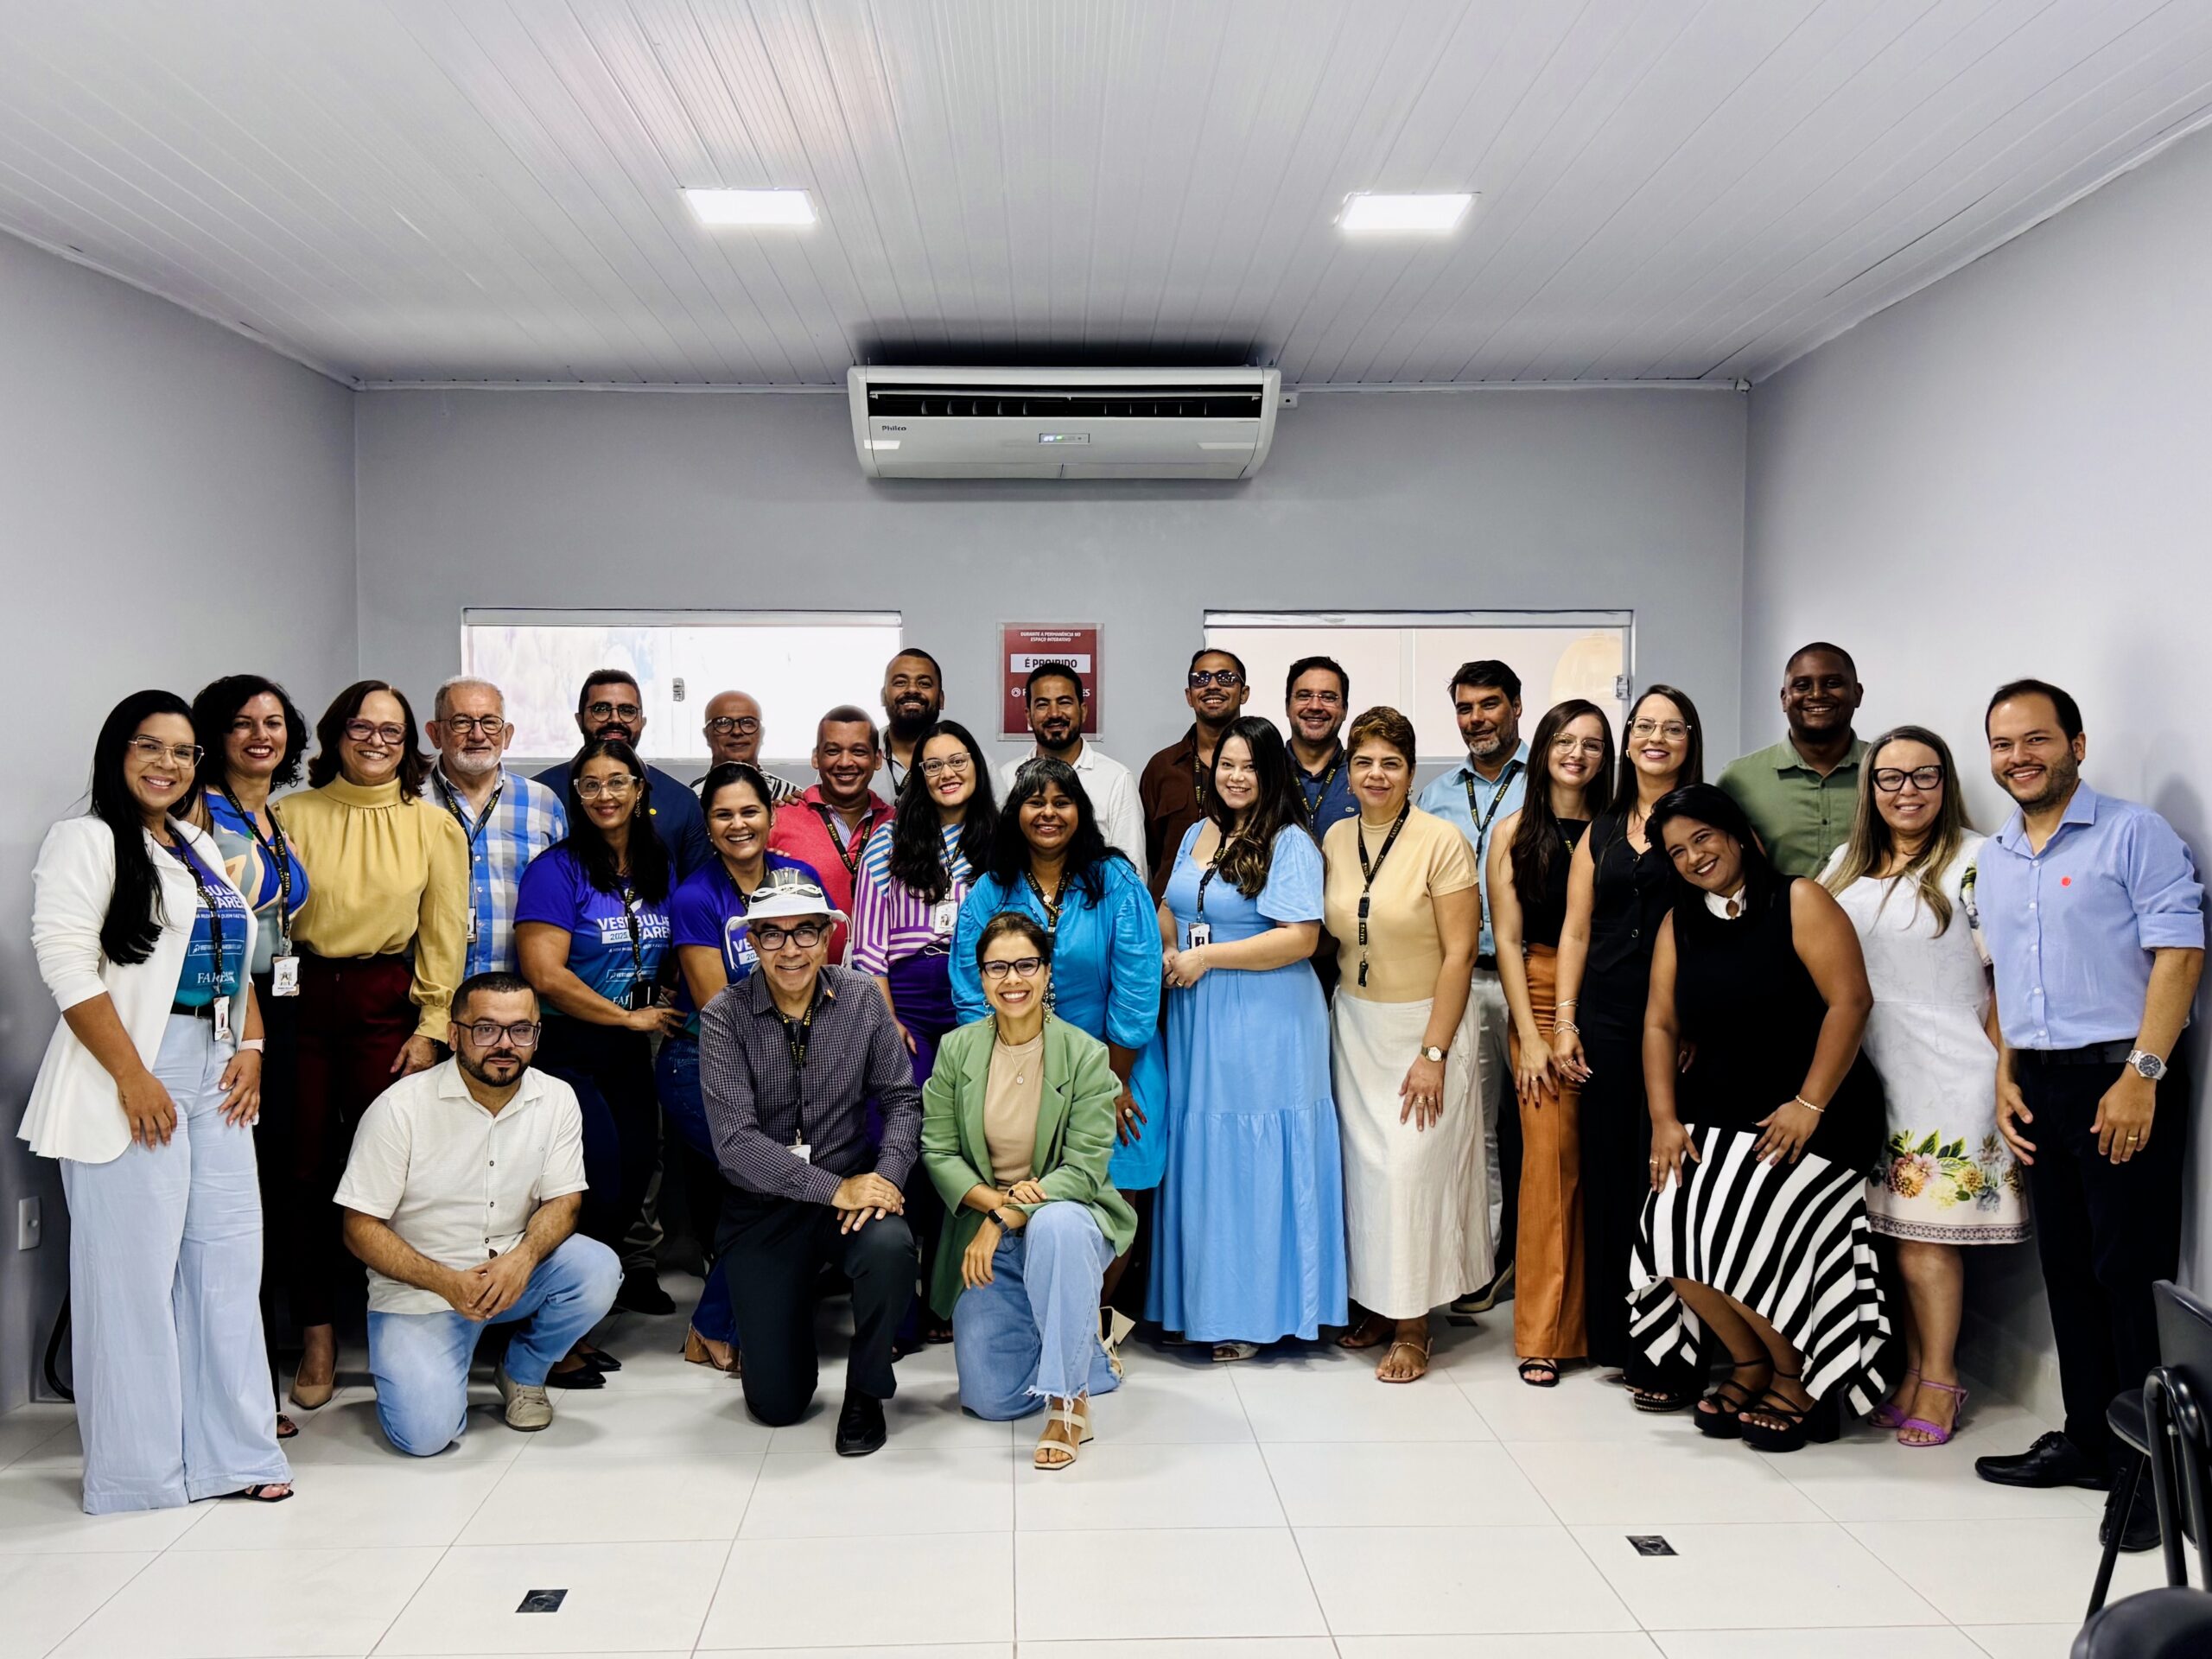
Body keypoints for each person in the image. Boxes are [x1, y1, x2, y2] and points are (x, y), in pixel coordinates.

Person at [24, 691, 292, 1511]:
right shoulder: (87, 839)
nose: (168, 765)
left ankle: (233, 1454)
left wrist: (251, 1048)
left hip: (214, 1075)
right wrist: (132, 1076)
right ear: (118, 751)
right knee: (131, 1279)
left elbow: (239, 961)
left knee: (225, 1263)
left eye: (182, 753)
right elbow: (67, 965)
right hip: (128, 1076)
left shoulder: (199, 844)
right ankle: (138, 1474)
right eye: (151, 747)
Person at [1971, 681, 2203, 1555]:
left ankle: (2150, 1474)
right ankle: (2085, 1437)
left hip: (2120, 1078)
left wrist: (2142, 1074)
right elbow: (2000, 980)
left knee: (2126, 1271)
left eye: (2035, 740)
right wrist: (2004, 1076)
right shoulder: (1993, 855)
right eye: (2001, 744)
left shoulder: (2133, 833)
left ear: (2075, 743)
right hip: (2039, 1085)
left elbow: (2179, 953)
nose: (2017, 757)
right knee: (2066, 1269)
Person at [1637, 785, 1891, 1452]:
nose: (1694, 857)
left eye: (1704, 839)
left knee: (1742, 1221)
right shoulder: (1679, 921)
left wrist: (1808, 1105)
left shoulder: (1798, 899)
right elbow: (1660, 1023)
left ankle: (1795, 1375)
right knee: (1667, 1224)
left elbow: (1850, 1002)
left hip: (1819, 1114)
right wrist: (1665, 1119)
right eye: (1678, 851)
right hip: (1723, 1113)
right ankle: (1748, 1361)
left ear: (1739, 834)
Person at [1820, 725, 2025, 1447]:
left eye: (1924, 776)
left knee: (1926, 1242)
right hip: (1869, 1066)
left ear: (1946, 783)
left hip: (1949, 1067)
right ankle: (1910, 1373)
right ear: (1869, 788)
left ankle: (1939, 1378)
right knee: (1892, 1234)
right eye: (1891, 777)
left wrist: (2007, 1072)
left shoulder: (1978, 860)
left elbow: (2007, 979)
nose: (1907, 791)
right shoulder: (1845, 863)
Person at [281, 679, 469, 1415]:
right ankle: (318, 1333)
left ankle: (404, 1319)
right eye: (362, 727)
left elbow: (445, 935)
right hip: (298, 998)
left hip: (386, 1005)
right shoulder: (287, 814)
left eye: (391, 733)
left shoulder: (433, 827)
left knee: (390, 1173)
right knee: (301, 1170)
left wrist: (431, 1028)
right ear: (337, 733)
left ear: (409, 744)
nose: (376, 742)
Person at [334, 974, 620, 1452]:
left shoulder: (557, 1098)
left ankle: (523, 1370)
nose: (505, 1045)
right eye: (486, 1029)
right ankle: (434, 1373)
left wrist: (523, 1259)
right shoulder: (399, 1108)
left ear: (536, 1034)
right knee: (425, 1437)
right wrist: (448, 1283)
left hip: (513, 1273)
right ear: (454, 1035)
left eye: (521, 1030)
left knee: (597, 1270)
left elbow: (565, 1200)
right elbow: (358, 1228)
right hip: (423, 1290)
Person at [699, 872, 922, 1454]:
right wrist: (836, 1189)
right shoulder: (724, 1015)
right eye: (772, 935)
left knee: (891, 1245)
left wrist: (886, 1182)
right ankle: (782, 1339)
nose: (790, 949)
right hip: (763, 1207)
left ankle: (866, 1392)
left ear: (828, 936)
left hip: (848, 1199)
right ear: (751, 943)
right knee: (777, 1406)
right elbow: (736, 1143)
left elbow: (901, 1100)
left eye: (805, 932)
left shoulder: (861, 997)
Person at [1149, 715, 1347, 1359]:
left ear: (1272, 774)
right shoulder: (1196, 832)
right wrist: (1169, 949)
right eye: (1226, 765)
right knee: (1205, 1153)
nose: (1236, 777)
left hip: (1265, 1017)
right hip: (1195, 1011)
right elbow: (1172, 908)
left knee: (1251, 1155)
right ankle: (1203, 1305)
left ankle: (1258, 1313)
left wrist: (1206, 960)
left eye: (1251, 767)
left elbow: (1300, 938)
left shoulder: (1290, 842)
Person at [953, 756, 1164, 1320]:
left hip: (1117, 1065)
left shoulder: (1115, 881)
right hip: (1016, 1069)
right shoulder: (992, 889)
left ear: (1081, 811)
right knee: (1031, 1184)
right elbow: (971, 989)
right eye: (1034, 802)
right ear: (1014, 814)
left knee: (1117, 1181)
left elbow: (1138, 985)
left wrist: (1111, 1083)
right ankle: (1035, 1316)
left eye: (1061, 801)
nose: (1048, 813)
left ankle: (1092, 1318)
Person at [922, 914, 1134, 1468]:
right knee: (991, 1401)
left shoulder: (1085, 1054)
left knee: (1056, 1224)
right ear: (981, 976)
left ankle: (1068, 1401)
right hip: (989, 1222)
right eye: (997, 967)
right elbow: (938, 1151)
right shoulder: (957, 1051)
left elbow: (1083, 1170)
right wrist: (993, 1208)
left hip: (1067, 1220)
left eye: (1025, 965)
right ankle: (1086, 1347)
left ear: (1045, 973)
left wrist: (1003, 1218)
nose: (1012, 979)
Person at [1321, 706, 1489, 1383]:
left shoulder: (1441, 840)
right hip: (1356, 1025)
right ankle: (1379, 1305)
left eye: (1390, 762)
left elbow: (1459, 954)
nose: (1376, 774)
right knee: (1364, 1177)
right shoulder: (1334, 837)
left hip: (1425, 1026)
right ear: (1349, 771)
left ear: (1412, 772)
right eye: (1363, 761)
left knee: (1410, 1173)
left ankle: (1416, 1325)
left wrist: (1434, 1053)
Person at [1551, 683, 1705, 1410]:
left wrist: (1703, 1021)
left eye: (1672, 728)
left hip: (1683, 1029)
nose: (1656, 738)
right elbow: (1576, 931)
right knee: (1614, 1176)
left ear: (1688, 741)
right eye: (1644, 726)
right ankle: (1623, 1339)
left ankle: (1685, 1347)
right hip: (1608, 1024)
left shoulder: (1710, 822)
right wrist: (1564, 1020)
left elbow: (1732, 923)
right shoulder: (1603, 829)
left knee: (1675, 1185)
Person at [515, 737, 682, 1357]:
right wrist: (625, 1017)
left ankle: (583, 1307)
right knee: (594, 1179)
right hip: (570, 1045)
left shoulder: (654, 865)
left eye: (619, 782)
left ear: (640, 792)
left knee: (636, 1170)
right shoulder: (555, 870)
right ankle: (554, 1333)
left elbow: (662, 944)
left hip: (629, 1048)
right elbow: (543, 972)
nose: (605, 795)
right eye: (591, 784)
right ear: (575, 795)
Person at [660, 763, 821, 1373]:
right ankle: (716, 1324)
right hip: (703, 1067)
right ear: (707, 824)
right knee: (773, 1179)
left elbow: (818, 970)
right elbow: (716, 1009)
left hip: (784, 1067)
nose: (738, 824)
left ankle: (717, 1325)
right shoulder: (697, 896)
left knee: (774, 1183)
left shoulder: (798, 878)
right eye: (723, 814)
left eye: (749, 811)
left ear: (771, 817)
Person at [193, 673, 314, 1439]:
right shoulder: (200, 811)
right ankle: (243, 1395)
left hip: (284, 1006)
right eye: (242, 724)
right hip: (231, 1015)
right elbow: (219, 936)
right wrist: (251, 1037)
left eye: (273, 723)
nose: (261, 736)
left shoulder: (273, 814)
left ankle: (254, 1376)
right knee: (235, 1208)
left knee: (278, 1192)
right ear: (216, 735)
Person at [853, 719, 998, 1344]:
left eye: (957, 760)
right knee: (903, 1140)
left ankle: (949, 1297)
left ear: (976, 766)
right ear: (917, 775)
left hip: (983, 1000)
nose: (946, 773)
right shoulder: (888, 841)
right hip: (907, 1002)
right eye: (932, 765)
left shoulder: (1000, 839)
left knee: (971, 1145)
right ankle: (898, 1295)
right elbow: (866, 944)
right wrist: (887, 1022)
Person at [1487, 699, 1613, 1386]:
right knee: (1549, 1166)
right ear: (1542, 748)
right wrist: (1530, 1037)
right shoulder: (1512, 833)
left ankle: (1606, 1327)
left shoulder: (1621, 830)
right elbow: (1505, 939)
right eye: (1566, 740)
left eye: (1593, 744)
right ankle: (1543, 1333)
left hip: (1614, 993)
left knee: (1608, 1163)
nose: (1578, 754)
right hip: (1536, 993)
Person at [1416, 659, 1528, 1315]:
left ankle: (1543, 1258)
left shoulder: (1545, 784)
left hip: (1538, 977)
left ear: (1517, 706)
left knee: (1544, 1131)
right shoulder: (1435, 796)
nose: (1477, 718)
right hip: (1468, 978)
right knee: (1479, 1130)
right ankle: (1485, 1261)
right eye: (1465, 707)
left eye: (1490, 704)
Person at [424, 677, 567, 979]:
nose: (478, 734)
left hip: (520, 993)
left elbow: (564, 901)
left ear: (507, 734)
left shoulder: (542, 803)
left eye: (490, 722)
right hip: (427, 994)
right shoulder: (409, 800)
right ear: (435, 734)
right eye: (461, 722)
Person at [533, 668, 710, 880]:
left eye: (627, 710)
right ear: (579, 720)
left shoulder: (680, 801)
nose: (615, 719)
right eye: (601, 709)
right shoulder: (540, 794)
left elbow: (696, 892)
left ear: (642, 722)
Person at [1718, 642, 1867, 880]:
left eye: (1833, 683)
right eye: (1802, 686)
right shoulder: (1737, 779)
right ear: (1784, 698)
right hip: (1774, 917)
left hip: (1873, 917)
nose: (1817, 694)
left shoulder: (1887, 772)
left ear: (1857, 694)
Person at [766, 705, 894, 961]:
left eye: (858, 752)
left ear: (878, 759)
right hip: (803, 981)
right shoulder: (778, 820)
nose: (845, 762)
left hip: (887, 984)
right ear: (816, 758)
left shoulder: (899, 825)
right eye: (833, 751)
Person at [998, 660, 1147, 875]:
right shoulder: (1006, 778)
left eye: (1065, 702)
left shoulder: (1116, 779)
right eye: (1042, 704)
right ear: (1028, 716)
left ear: (1083, 711)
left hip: (1095, 906)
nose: (1054, 713)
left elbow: (1132, 873)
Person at [1140, 647, 1254, 899]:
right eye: (1201, 679)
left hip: (1244, 911)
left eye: (1225, 678)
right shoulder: (1162, 767)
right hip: (1170, 916)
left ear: (1243, 693)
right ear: (1189, 696)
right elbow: (1154, 853)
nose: (1212, 685)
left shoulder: (1266, 763)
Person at [1284, 655, 1358, 839]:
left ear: (1344, 710)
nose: (1315, 706)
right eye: (1304, 696)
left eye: (1328, 697)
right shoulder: (1265, 772)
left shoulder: (1363, 774)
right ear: (1287, 706)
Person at [699, 689, 803, 805]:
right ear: (707, 735)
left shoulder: (792, 799)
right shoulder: (689, 802)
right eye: (723, 723)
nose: (737, 731)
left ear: (762, 734)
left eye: (748, 722)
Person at [879, 648, 946, 794]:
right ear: (883, 697)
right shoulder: (854, 757)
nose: (912, 690)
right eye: (900, 682)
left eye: (924, 684)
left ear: (941, 699)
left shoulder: (970, 758)